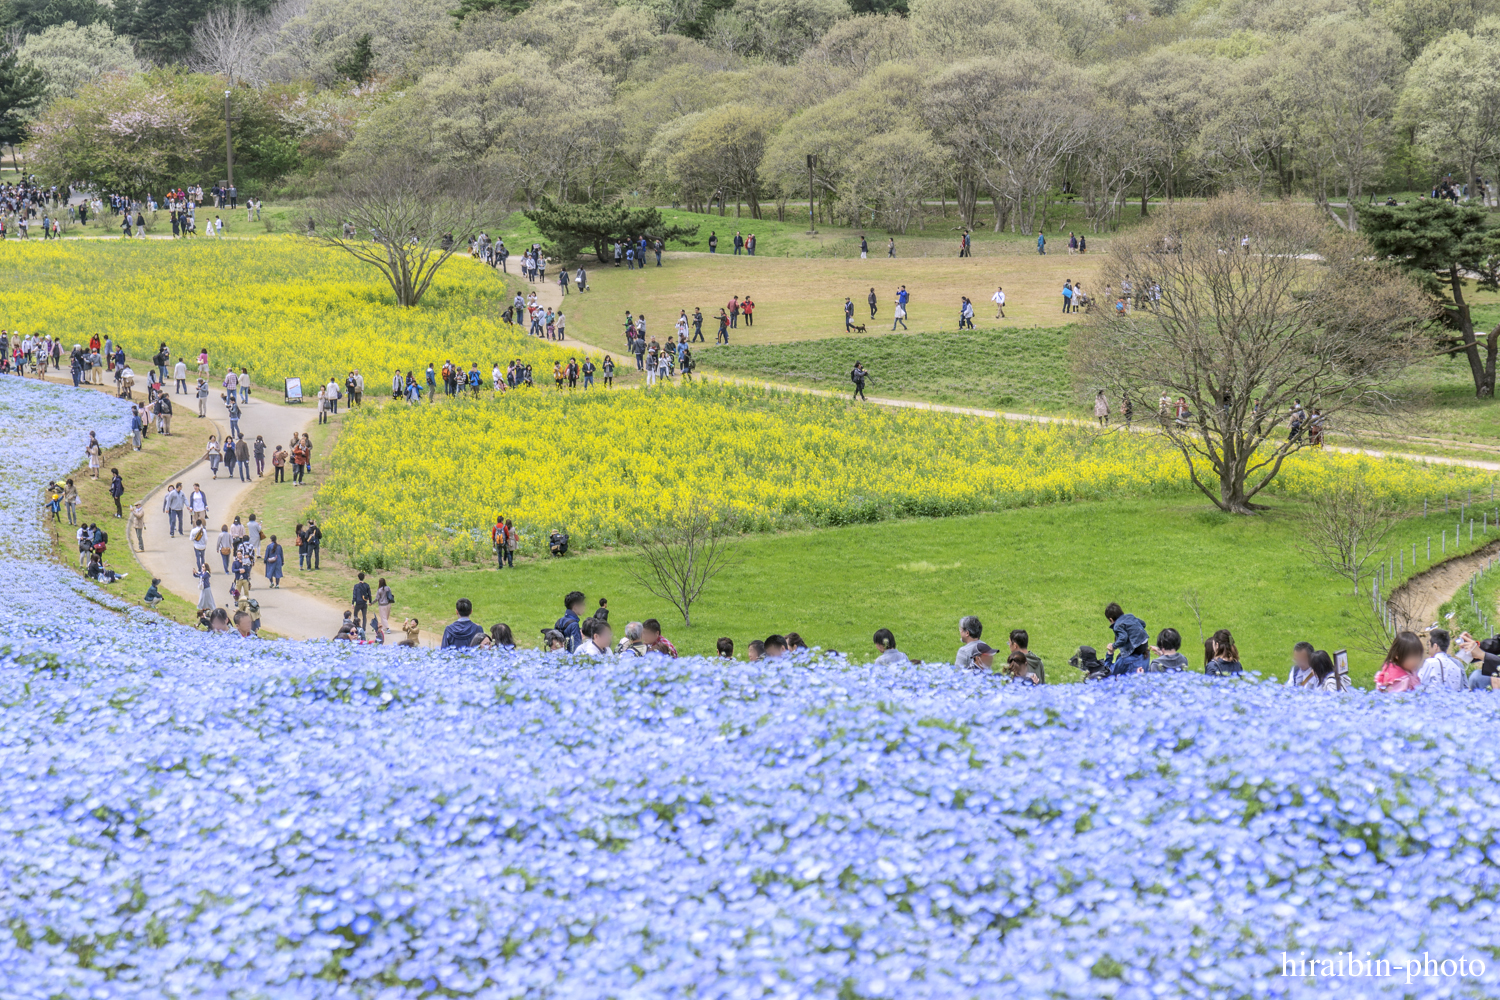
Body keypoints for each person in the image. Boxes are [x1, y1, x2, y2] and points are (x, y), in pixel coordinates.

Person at [1103, 602, 1149, 675]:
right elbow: (1143, 624)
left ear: (1111, 620)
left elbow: (1107, 671)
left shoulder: (1117, 625)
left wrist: (1112, 649)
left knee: (1122, 658)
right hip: (1144, 643)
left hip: (1135, 649)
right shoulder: (1130, 616)